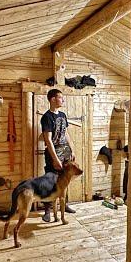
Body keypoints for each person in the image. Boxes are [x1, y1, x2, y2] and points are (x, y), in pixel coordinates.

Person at [40, 88, 77, 222]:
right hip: (53, 153)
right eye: (60, 97)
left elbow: (66, 133)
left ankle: (64, 205)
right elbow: (48, 139)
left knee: (65, 179)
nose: (63, 99)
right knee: (50, 182)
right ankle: (47, 210)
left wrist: (72, 149)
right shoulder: (46, 117)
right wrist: (55, 159)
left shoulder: (62, 115)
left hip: (65, 151)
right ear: (53, 99)